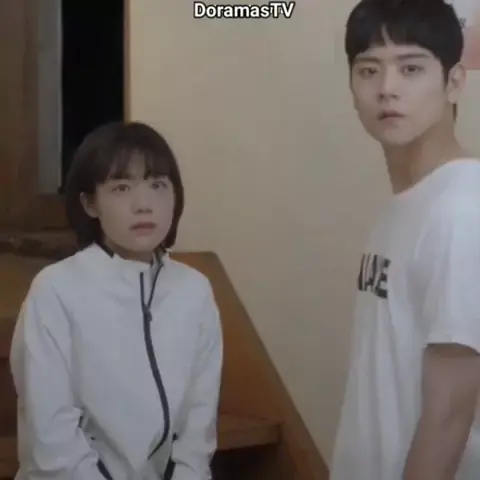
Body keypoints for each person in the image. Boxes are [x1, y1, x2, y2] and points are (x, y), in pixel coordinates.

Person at [9, 121, 223, 480]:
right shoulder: (56, 290)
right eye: (121, 188)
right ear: (90, 203)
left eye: (157, 185)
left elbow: (197, 431)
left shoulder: (194, 291)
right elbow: (52, 440)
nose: (144, 205)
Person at [330, 0, 480, 478]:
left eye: (411, 68)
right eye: (368, 70)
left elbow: (450, 412)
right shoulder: (405, 206)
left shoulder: (462, 208)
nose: (387, 88)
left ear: (454, 82)